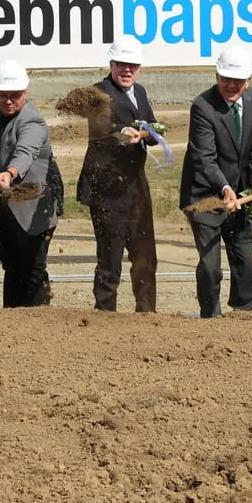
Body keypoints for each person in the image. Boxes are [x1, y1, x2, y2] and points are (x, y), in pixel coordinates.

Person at [178, 45, 252, 317]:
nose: (231, 85)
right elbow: (204, 158)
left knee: (242, 257)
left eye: (237, 80)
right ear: (216, 76)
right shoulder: (203, 106)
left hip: (239, 194)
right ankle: (211, 317)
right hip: (205, 194)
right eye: (225, 79)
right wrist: (224, 187)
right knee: (211, 265)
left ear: (248, 81)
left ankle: (244, 313)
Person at [0, 59, 61, 308]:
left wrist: (9, 173)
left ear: (25, 92)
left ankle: (38, 318)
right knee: (11, 263)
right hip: (5, 201)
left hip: (36, 201)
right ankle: (11, 318)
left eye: (14, 95)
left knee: (32, 267)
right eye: (3, 95)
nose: (8, 101)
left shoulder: (33, 120)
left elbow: (24, 152)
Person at [77, 35, 160, 312]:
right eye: (122, 64)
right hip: (107, 188)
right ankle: (105, 317)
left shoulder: (141, 92)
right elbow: (101, 129)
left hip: (136, 185)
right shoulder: (97, 94)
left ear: (139, 68)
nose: (127, 70)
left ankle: (147, 314)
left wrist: (151, 134)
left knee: (145, 254)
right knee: (110, 259)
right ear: (111, 64)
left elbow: (152, 127)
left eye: (132, 65)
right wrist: (124, 132)